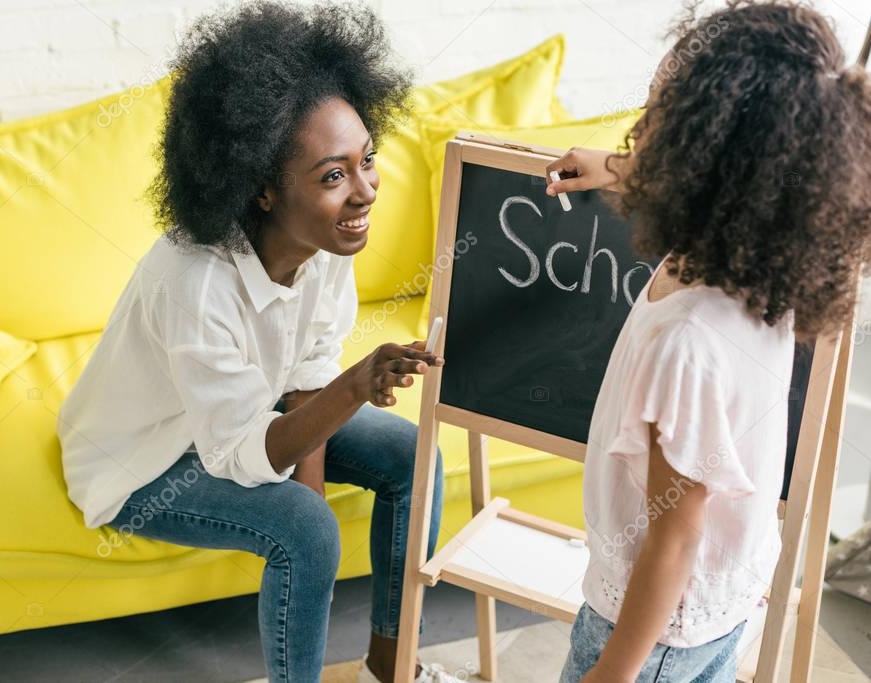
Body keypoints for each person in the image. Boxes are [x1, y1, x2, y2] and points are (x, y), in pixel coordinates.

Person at [56, 3, 458, 682]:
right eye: (332, 176)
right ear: (263, 189)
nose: (363, 192)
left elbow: (306, 373)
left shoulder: (327, 241)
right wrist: (352, 392)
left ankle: (393, 665)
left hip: (240, 418)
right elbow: (240, 450)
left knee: (411, 457)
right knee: (301, 528)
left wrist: (314, 484)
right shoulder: (195, 282)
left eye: (366, 161)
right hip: (141, 461)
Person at [545, 1, 871, 681]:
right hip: (714, 604)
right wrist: (611, 166)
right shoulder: (765, 263)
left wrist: (612, 671)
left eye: (662, 117)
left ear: (700, 154)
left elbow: (673, 534)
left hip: (652, 630)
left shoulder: (687, 343)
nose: (644, 129)